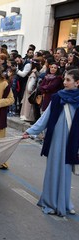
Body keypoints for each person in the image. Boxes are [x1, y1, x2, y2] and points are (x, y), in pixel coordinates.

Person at [22, 69, 79, 217]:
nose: (64, 82)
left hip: (71, 143)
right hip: (55, 141)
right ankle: (50, 202)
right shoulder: (57, 97)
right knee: (53, 170)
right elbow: (44, 118)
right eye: (64, 79)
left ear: (77, 83)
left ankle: (64, 203)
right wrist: (30, 131)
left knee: (66, 172)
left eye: (68, 80)